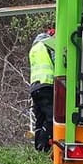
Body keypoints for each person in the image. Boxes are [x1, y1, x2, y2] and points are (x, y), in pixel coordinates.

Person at [27, 24, 55, 152]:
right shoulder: (48, 45)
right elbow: (57, 62)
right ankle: (44, 145)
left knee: (40, 118)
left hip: (35, 87)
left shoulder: (34, 49)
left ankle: (38, 147)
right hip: (46, 84)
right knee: (51, 117)